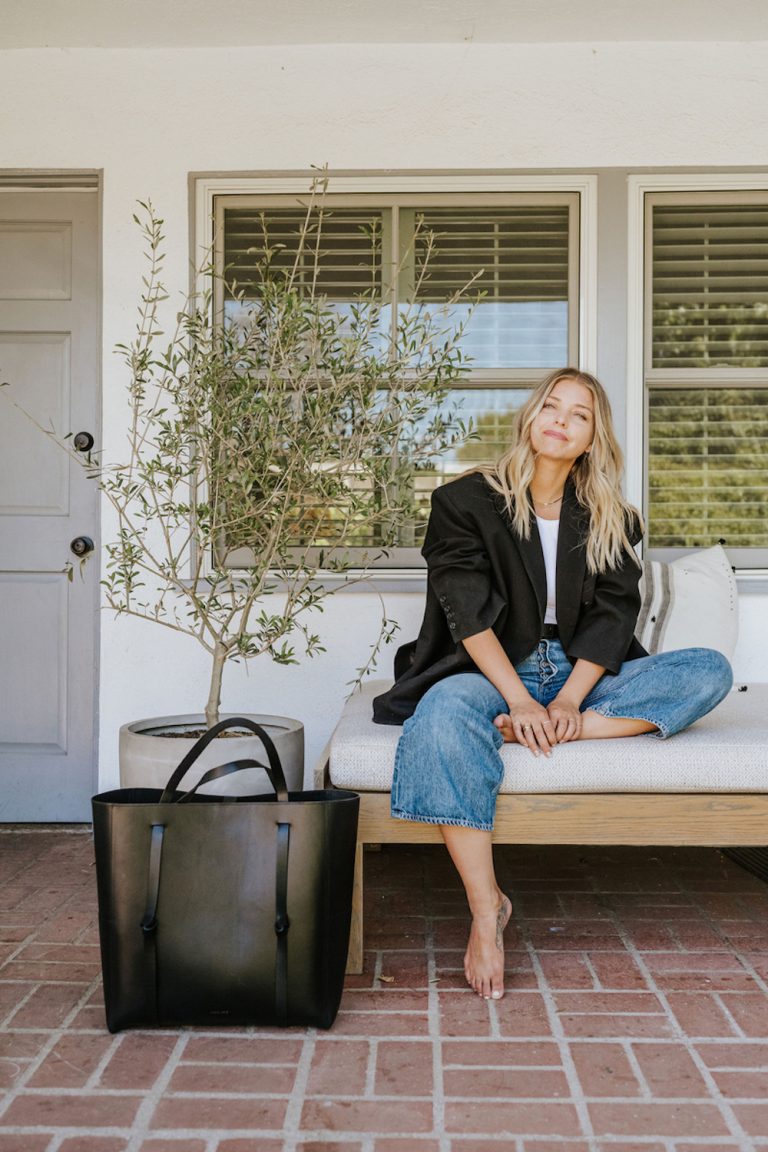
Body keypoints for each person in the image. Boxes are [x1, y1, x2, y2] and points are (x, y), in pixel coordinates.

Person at [373, 367, 733, 1003]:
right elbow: (466, 610)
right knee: (440, 717)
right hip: (489, 669)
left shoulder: (612, 518)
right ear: (531, 417)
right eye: (552, 406)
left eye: (580, 413)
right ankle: (488, 912)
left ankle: (563, 733)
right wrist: (517, 698)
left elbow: (612, 618)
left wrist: (567, 703)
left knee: (708, 670)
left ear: (594, 437)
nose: (562, 419)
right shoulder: (464, 501)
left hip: (579, 673)